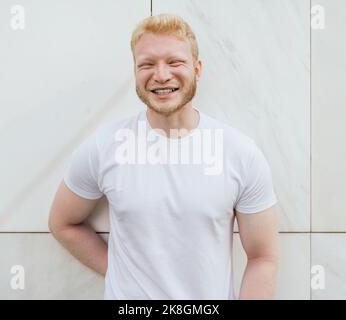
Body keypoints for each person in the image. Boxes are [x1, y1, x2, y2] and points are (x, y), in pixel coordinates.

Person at [48, 13, 280, 300]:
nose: (160, 75)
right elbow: (62, 223)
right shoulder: (104, 146)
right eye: (146, 64)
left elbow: (262, 257)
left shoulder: (240, 153)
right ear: (135, 72)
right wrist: (121, 274)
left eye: (174, 62)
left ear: (197, 69)